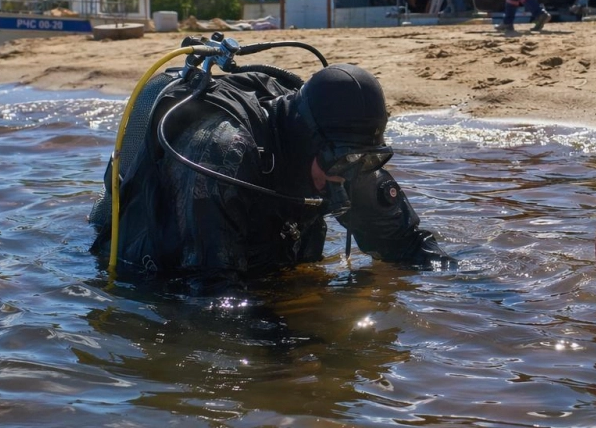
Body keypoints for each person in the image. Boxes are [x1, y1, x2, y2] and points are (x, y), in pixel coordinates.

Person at [89, 60, 451, 292]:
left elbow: (407, 244)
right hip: (162, 277)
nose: (349, 175)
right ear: (307, 139)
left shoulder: (346, 158)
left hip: (261, 266)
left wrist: (464, 290)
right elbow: (211, 293)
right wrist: (291, 352)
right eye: (341, 160)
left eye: (367, 160)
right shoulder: (223, 156)